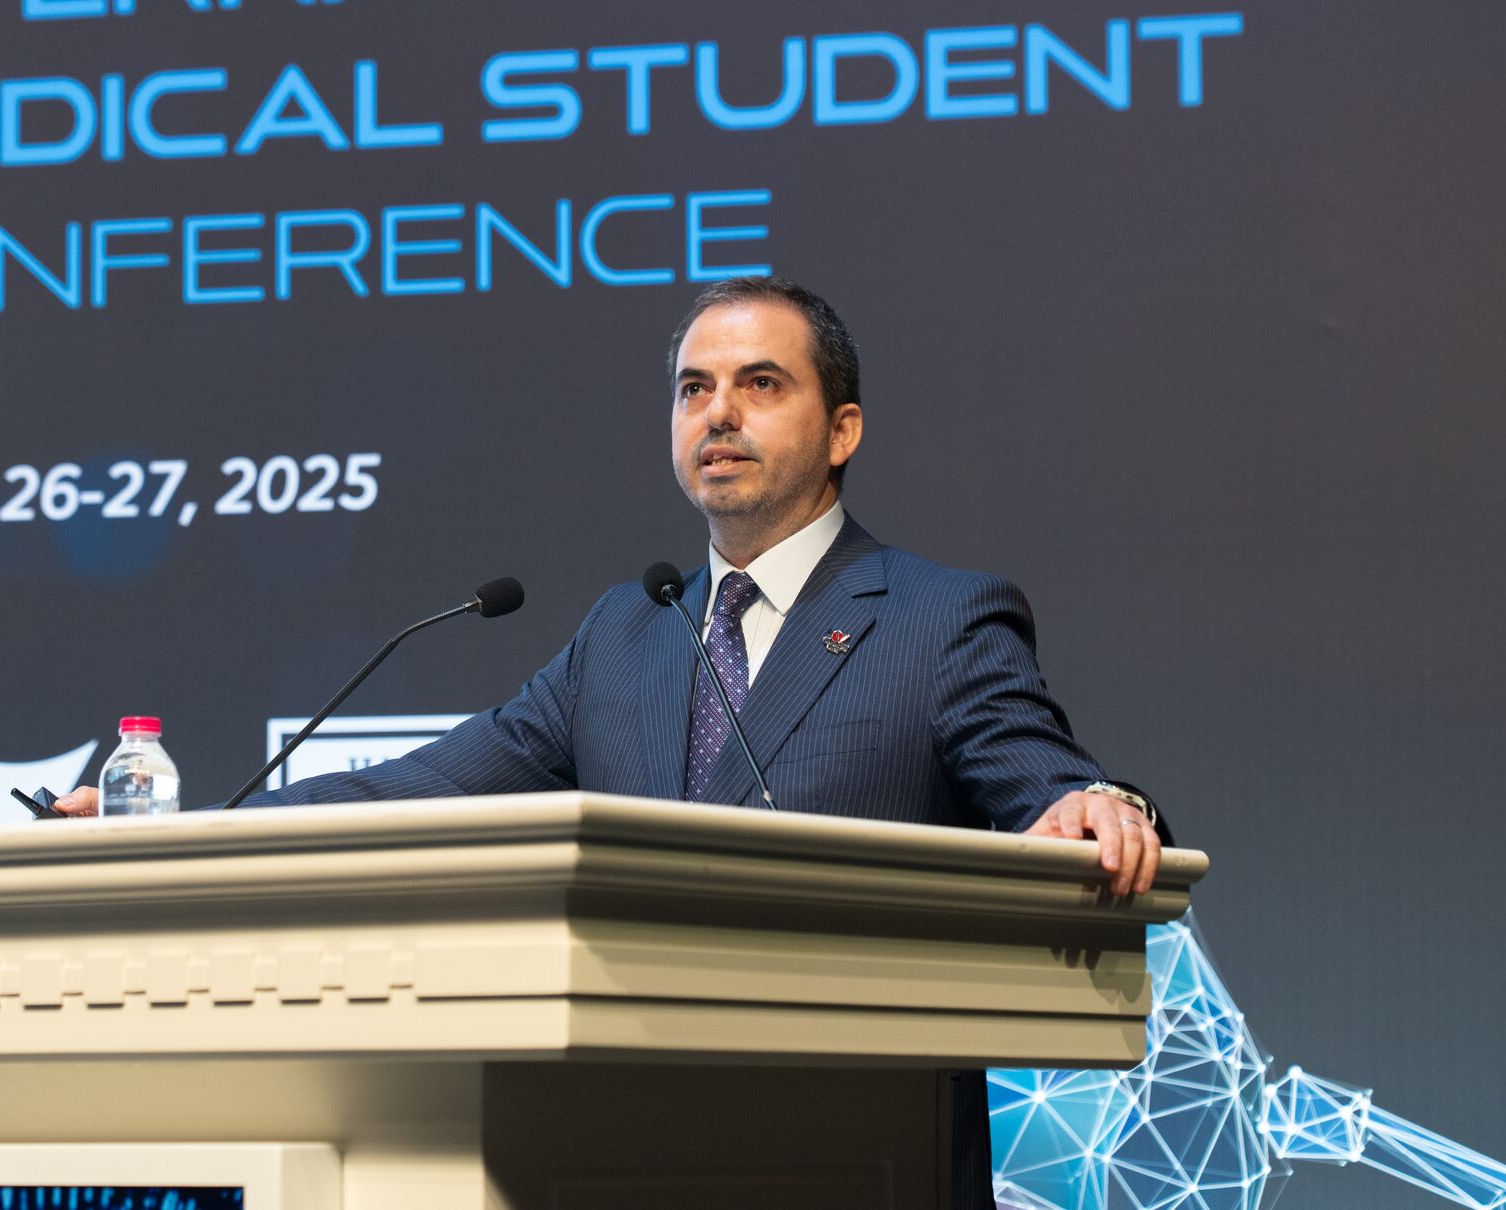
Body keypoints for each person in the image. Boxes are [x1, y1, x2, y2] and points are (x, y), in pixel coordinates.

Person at [57, 276, 1168, 1209]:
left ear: (842, 430)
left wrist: (1100, 804)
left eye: (759, 384)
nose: (717, 414)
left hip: (856, 1152)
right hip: (624, 1151)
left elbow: (1050, 785)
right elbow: (423, 786)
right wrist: (183, 825)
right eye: (693, 389)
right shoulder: (627, 630)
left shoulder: (936, 617)